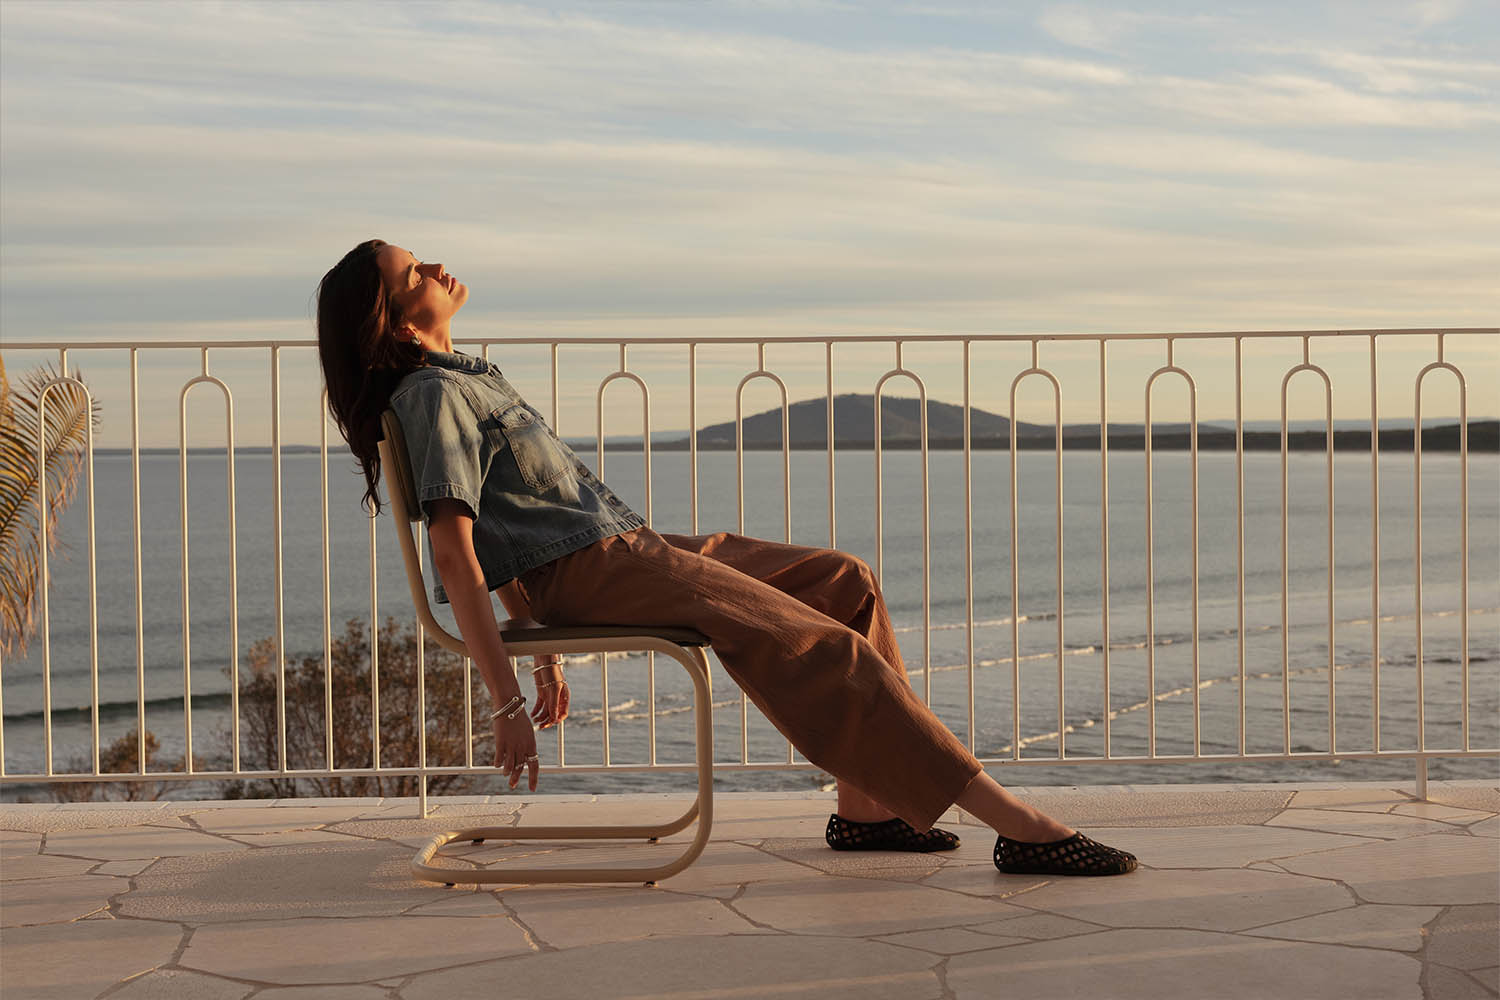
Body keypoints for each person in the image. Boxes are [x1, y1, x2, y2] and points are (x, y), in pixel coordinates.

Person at [316, 239, 1137, 877]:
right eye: (415, 270)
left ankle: (867, 811)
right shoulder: (430, 396)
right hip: (597, 570)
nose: (438, 266)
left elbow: (512, 523)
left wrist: (543, 648)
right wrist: (508, 693)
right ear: (393, 320)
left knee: (843, 582)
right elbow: (457, 553)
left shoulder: (467, 377)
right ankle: (1016, 825)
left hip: (623, 549)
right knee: (820, 647)